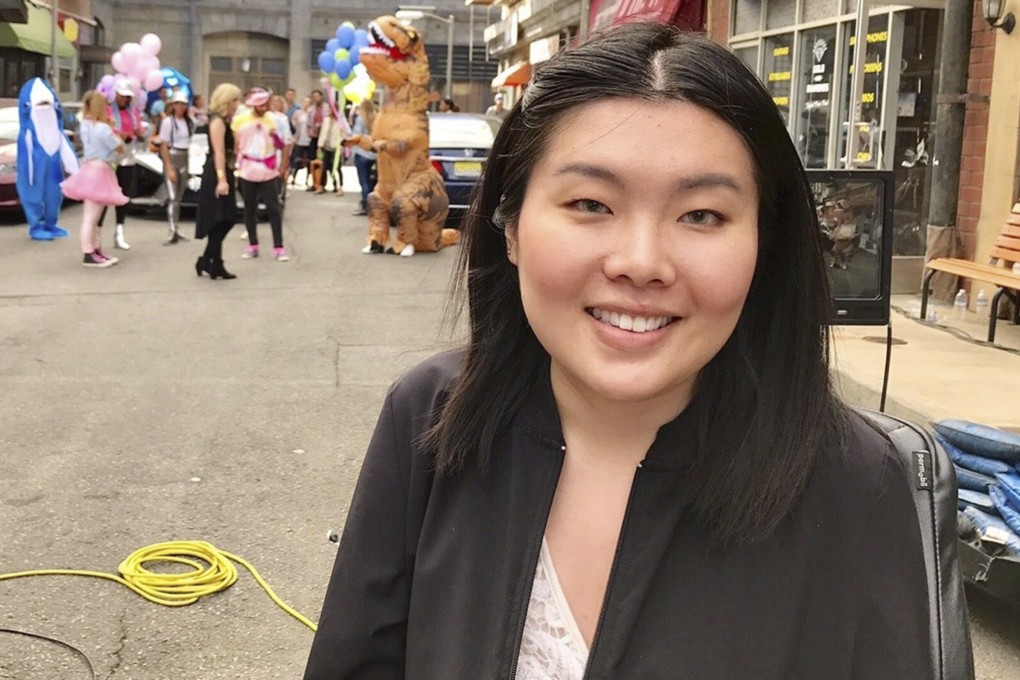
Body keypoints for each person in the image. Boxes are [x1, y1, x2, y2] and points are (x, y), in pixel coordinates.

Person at [303, 23, 931, 679]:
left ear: (764, 245)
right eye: (590, 203)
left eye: (702, 215)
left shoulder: (856, 485)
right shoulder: (431, 418)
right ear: (510, 226)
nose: (641, 263)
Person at [60, 90, 128, 268]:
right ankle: (89, 253)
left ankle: (95, 250)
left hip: (89, 168)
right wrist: (116, 133)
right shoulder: (103, 128)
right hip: (101, 170)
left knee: (92, 216)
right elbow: (119, 147)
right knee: (92, 217)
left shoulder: (86, 125)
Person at [232, 87, 288, 261]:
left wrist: (275, 138)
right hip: (247, 169)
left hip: (268, 169)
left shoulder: (274, 120)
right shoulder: (240, 120)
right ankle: (253, 245)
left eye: (266, 104)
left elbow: (282, 144)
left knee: (273, 209)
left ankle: (278, 247)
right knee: (249, 208)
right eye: (261, 104)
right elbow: (235, 144)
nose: (264, 107)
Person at [194, 83, 242, 280]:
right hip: (216, 172)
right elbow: (218, 152)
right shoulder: (217, 122)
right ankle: (212, 262)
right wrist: (222, 179)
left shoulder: (226, 121)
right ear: (226, 101)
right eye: (234, 100)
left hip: (225, 170)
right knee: (223, 218)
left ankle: (210, 261)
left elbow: (233, 150)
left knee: (224, 219)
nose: (237, 104)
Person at [99, 79, 145, 250]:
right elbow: (104, 130)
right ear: (116, 94)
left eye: (127, 96)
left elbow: (139, 130)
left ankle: (119, 232)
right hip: (112, 154)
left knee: (124, 194)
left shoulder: (134, 111)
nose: (125, 99)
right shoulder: (107, 109)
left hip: (128, 154)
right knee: (104, 195)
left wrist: (138, 132)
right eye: (122, 96)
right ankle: (97, 233)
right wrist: (119, 134)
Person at [158, 89, 193, 245]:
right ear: (173, 105)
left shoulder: (189, 122)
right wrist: (168, 167)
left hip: (185, 157)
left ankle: (176, 228)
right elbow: (163, 145)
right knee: (172, 197)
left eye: (183, 104)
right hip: (173, 156)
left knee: (179, 197)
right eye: (177, 104)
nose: (180, 107)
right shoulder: (168, 122)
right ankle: (172, 230)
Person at [309, 105, 349, 196]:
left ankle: (339, 186)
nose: (329, 111)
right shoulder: (326, 120)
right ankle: (321, 186)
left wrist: (342, 145)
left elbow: (344, 134)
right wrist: (320, 145)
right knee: (324, 166)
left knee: (336, 168)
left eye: (331, 109)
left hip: (336, 147)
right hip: (326, 146)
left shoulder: (341, 121)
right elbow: (322, 133)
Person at [347, 99, 377, 216]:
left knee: (363, 181)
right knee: (372, 181)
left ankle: (365, 205)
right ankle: (373, 205)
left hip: (362, 153)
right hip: (374, 154)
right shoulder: (377, 119)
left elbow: (356, 135)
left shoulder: (360, 119)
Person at [288, 96, 314, 188]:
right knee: (297, 159)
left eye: (308, 102)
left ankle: (308, 179)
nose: (306, 104)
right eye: (305, 102)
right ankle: (294, 177)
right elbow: (293, 123)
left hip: (309, 139)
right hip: (299, 139)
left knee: (309, 160)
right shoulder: (298, 112)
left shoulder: (312, 113)